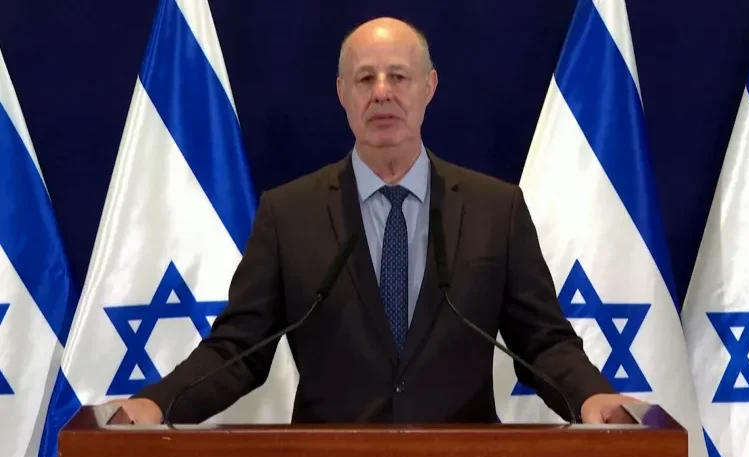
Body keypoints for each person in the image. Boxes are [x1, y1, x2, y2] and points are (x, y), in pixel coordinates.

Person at [113, 16, 637, 425]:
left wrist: (592, 397)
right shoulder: (287, 214)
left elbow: (542, 342)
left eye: (398, 77)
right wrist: (157, 403)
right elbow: (238, 350)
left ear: (429, 86)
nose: (382, 91)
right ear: (342, 93)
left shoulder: (494, 209)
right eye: (365, 78)